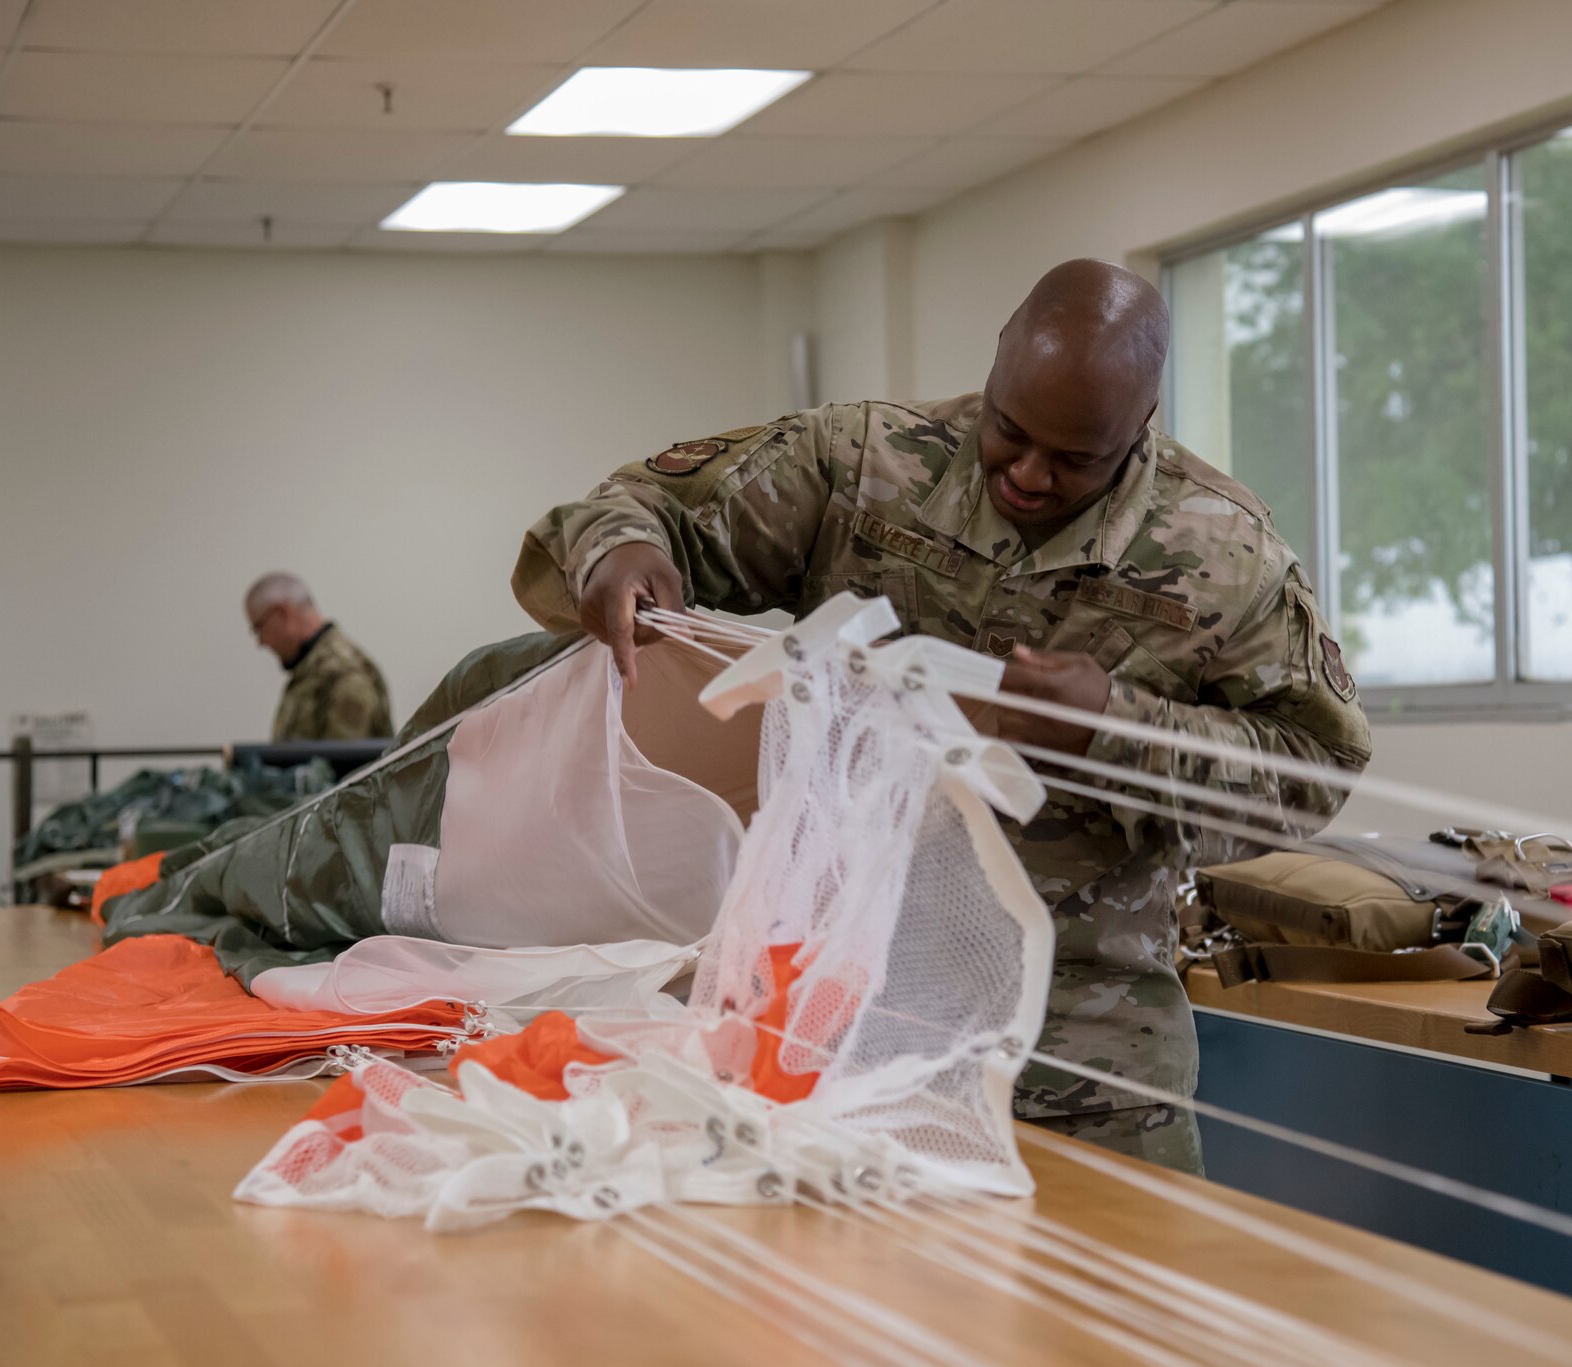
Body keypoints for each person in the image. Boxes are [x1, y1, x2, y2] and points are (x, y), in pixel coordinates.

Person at [511, 260, 1372, 1174]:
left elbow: (1313, 771)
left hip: (1084, 1049)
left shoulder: (1226, 555)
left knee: (1093, 1306)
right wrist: (621, 553)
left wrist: (1112, 728)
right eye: (1010, 431)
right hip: (837, 1018)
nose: (1030, 476)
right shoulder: (862, 465)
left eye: (1076, 458)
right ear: (996, 367)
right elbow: (631, 508)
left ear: (1142, 426)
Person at [244, 572, 393, 742]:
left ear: (282, 614)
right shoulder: (310, 670)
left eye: (258, 628)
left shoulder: (344, 671)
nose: (261, 642)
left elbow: (344, 762)